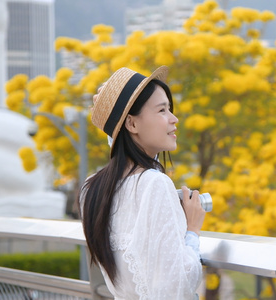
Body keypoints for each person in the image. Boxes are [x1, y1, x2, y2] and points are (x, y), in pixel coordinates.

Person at [78, 66, 206, 300]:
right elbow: (175, 286)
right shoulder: (154, 184)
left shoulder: (92, 188)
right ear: (132, 124)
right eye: (162, 110)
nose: (173, 119)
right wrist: (193, 231)